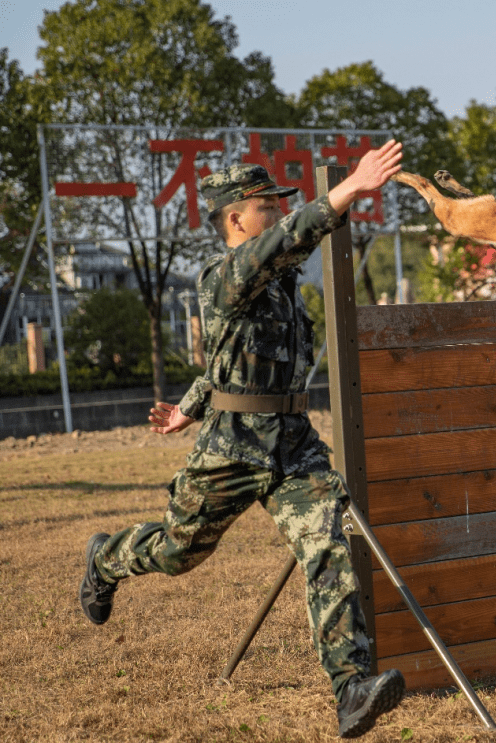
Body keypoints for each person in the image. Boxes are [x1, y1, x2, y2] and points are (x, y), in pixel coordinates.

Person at [79, 141, 404, 739]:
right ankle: (106, 558)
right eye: (266, 206)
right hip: (232, 449)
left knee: (329, 543)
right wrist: (346, 190)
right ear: (236, 219)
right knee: (181, 551)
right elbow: (285, 242)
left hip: (291, 443)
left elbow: (231, 363)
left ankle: (351, 687)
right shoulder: (223, 276)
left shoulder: (280, 290)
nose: (278, 214)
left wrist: (187, 407)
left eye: (280, 204)